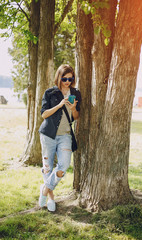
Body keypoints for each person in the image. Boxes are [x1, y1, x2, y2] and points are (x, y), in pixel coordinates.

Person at [38, 64, 81, 212]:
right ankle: (51, 198)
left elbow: (76, 117)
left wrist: (73, 108)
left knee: (63, 165)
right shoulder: (50, 92)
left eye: (70, 78)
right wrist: (60, 105)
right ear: (59, 77)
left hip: (65, 136)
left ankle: (44, 189)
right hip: (48, 135)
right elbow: (43, 114)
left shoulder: (76, 93)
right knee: (48, 168)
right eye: (64, 78)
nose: (67, 81)